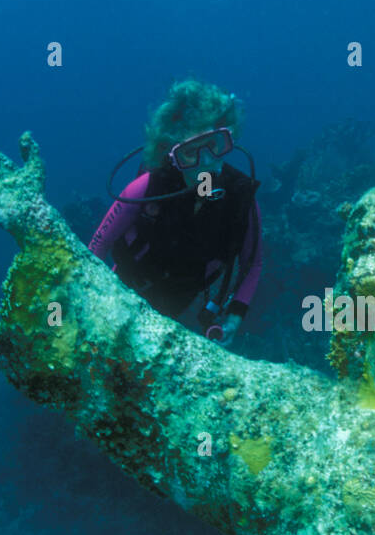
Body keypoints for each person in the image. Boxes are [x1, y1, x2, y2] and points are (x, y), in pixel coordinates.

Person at [89, 79, 262, 346]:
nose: (205, 163)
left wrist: (235, 317)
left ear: (229, 138)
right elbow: (96, 249)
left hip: (175, 311)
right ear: (171, 154)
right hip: (119, 293)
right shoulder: (146, 188)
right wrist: (94, 301)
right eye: (190, 153)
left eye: (215, 145)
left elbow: (253, 263)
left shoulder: (241, 199)